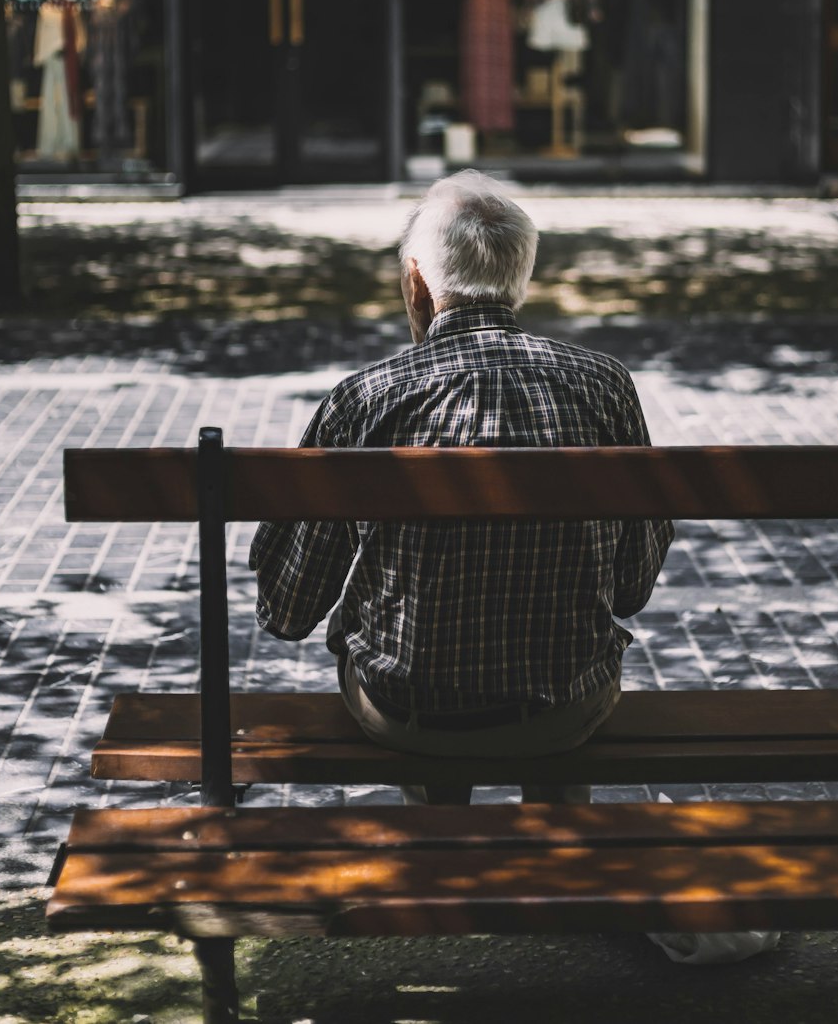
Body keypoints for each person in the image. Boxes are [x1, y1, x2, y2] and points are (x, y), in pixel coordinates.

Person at [250, 171, 674, 804]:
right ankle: (558, 851)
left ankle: (437, 843)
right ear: (520, 278)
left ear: (417, 283)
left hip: (408, 712)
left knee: (420, 686)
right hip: (564, 709)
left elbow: (287, 609)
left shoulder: (366, 400)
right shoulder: (604, 386)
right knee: (564, 691)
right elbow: (632, 589)